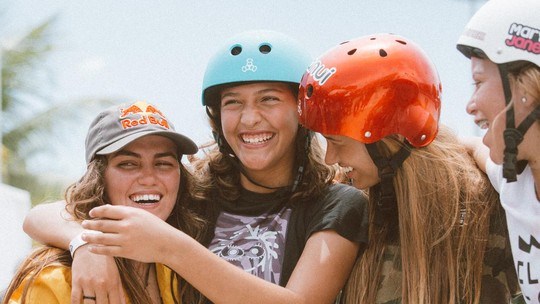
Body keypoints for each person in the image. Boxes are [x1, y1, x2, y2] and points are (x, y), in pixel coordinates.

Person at [24, 30, 369, 304]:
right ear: (216, 119)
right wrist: (84, 244)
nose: (250, 118)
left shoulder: (336, 204)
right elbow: (42, 216)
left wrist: (170, 246)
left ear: (301, 111)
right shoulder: (198, 190)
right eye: (233, 103)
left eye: (269, 98)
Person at [297, 33, 522, 304]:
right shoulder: (345, 206)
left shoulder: (488, 200)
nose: (330, 157)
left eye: (337, 141)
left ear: (390, 137)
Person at [3, 101, 205, 304]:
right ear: (99, 178)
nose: (149, 178)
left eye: (163, 163)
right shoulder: (55, 279)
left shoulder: (183, 270)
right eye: (128, 164)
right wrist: (86, 244)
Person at [456, 0, 540, 302]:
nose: (470, 105)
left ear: (525, 90)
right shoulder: (515, 182)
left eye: (478, 82)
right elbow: (471, 145)